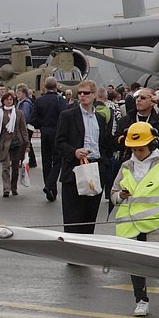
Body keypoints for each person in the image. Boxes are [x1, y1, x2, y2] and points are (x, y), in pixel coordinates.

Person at [112, 122, 159, 317]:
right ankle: (141, 301)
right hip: (131, 224)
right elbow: (113, 195)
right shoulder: (126, 167)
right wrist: (120, 196)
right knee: (135, 264)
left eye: (141, 149)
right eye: (134, 149)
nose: (137, 153)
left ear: (152, 145)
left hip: (156, 223)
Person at [55, 80, 117, 234]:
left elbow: (105, 143)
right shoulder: (68, 115)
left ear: (94, 95)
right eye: (80, 93)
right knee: (73, 220)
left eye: (86, 93)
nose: (82, 95)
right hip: (75, 170)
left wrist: (104, 163)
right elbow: (59, 142)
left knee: (89, 219)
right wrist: (74, 152)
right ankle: (72, 254)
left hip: (95, 169)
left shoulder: (100, 118)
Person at [30, 76, 66, 201]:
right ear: (56, 86)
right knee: (57, 160)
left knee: (46, 160)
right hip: (56, 131)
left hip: (44, 132)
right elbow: (64, 116)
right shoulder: (59, 100)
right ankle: (50, 185)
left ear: (44, 86)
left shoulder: (39, 101)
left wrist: (41, 126)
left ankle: (49, 187)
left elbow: (32, 119)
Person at [0, 90, 30, 197]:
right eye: (7, 100)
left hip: (17, 142)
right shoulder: (0, 114)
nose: (9, 101)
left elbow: (23, 130)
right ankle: (6, 188)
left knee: (15, 167)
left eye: (11, 100)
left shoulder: (18, 113)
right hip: (4, 143)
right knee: (5, 166)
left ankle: (14, 187)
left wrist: (27, 144)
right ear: (3, 101)